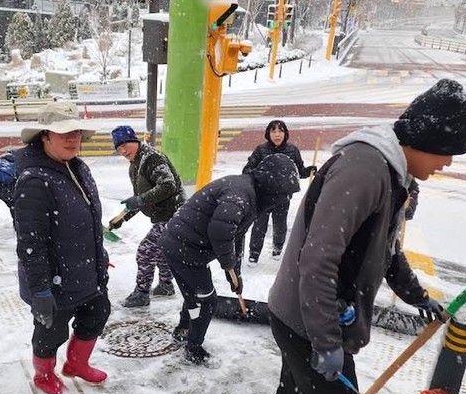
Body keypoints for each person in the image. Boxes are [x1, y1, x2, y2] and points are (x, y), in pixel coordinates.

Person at [262, 78, 466, 394]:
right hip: (309, 317)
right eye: (447, 154)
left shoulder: (392, 171)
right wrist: (324, 340)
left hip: (303, 312)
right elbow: (318, 259)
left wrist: (416, 295)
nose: (445, 165)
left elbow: (387, 250)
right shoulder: (365, 169)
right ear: (426, 139)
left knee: (294, 389)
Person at [160, 153, 300, 366]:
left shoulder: (251, 193)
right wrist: (227, 264)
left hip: (183, 246)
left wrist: (234, 271)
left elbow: (236, 235)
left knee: (194, 296)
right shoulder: (241, 194)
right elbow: (220, 231)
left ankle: (183, 329)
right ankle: (193, 347)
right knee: (207, 300)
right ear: (270, 186)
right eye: (282, 194)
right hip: (184, 249)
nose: (283, 199)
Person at [14, 100, 110, 394]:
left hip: (85, 272)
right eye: (63, 132)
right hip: (54, 280)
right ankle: (44, 374)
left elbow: (90, 221)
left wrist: (99, 257)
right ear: (45, 135)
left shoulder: (77, 168)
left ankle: (76, 364)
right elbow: (31, 243)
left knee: (97, 313)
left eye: (76, 132)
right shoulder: (34, 181)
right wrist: (40, 290)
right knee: (50, 332)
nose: (72, 138)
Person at [109, 125, 185, 308]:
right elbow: (140, 199)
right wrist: (122, 218)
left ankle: (141, 294)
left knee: (146, 251)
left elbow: (168, 185)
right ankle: (166, 285)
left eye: (126, 145)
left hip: (174, 214)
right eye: (119, 148)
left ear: (135, 141)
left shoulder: (152, 158)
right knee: (160, 250)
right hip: (163, 216)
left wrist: (140, 199)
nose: (123, 151)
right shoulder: (134, 165)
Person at [243, 120, 315, 262]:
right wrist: (263, 176)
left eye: (280, 131)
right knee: (259, 225)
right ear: (268, 134)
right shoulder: (260, 150)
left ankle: (277, 249)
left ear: (285, 133)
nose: (277, 134)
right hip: (263, 195)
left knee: (280, 224)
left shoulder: (292, 151)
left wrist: (309, 171)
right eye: (273, 131)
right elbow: (247, 170)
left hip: (283, 196)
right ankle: (254, 253)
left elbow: (299, 172)